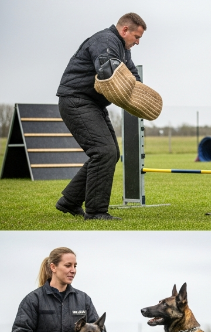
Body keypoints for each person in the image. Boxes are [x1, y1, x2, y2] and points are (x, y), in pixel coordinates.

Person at [55, 13, 147, 220]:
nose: (138, 42)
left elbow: (133, 77)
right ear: (125, 30)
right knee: (103, 151)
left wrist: (144, 96)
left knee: (110, 153)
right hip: (76, 100)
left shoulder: (123, 50)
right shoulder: (105, 41)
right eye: (137, 37)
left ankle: (69, 201)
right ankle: (96, 211)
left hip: (93, 104)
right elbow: (107, 71)